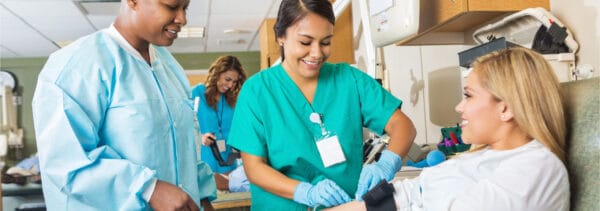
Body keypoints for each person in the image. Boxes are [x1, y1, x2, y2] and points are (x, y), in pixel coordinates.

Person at [325, 47, 570, 211]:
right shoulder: (481, 157)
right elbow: (407, 193)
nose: (459, 107)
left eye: (469, 96)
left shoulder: (534, 169)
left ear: (505, 109)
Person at [227, 0, 417, 209]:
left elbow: (403, 126)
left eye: (325, 42)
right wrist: (305, 192)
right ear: (280, 37)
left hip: (343, 206)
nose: (317, 53)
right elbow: (254, 168)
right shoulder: (257, 91)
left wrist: (386, 163)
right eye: (306, 43)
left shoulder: (350, 80)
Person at [31, 0, 216, 210]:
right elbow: (65, 162)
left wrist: (202, 198)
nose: (182, 19)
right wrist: (149, 189)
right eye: (172, 6)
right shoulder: (76, 67)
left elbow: (186, 151)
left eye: (186, 8)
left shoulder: (171, 69)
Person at [191, 55, 248, 191]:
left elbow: (238, 130)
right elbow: (183, 127)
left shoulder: (231, 100)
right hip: (205, 163)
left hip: (230, 166)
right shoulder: (196, 94)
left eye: (234, 82)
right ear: (216, 74)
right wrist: (200, 138)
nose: (230, 85)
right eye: (227, 79)